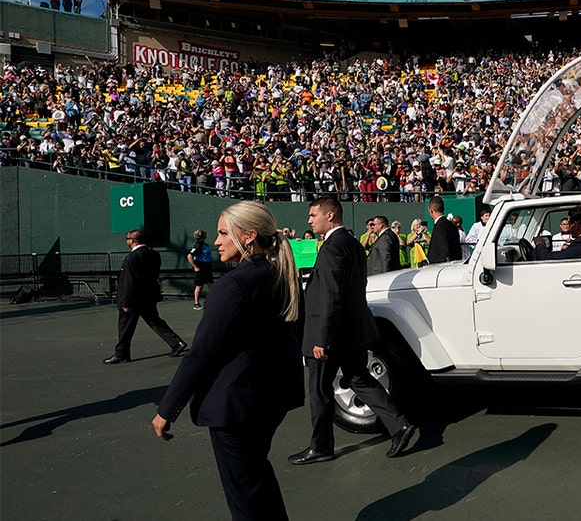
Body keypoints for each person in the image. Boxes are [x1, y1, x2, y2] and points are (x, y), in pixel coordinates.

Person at [152, 202, 304, 520]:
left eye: (223, 233)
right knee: (258, 480)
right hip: (270, 401)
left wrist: (167, 409)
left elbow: (201, 353)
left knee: (244, 499)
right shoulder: (281, 275)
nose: (217, 241)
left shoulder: (233, 285)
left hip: (235, 408)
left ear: (248, 237)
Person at [288, 196, 416, 465]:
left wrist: (321, 338)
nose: (309, 220)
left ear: (330, 216)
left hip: (332, 333)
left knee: (320, 390)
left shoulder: (334, 247)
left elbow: (330, 295)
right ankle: (399, 425)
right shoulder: (354, 244)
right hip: (354, 330)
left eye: (313, 215)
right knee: (359, 378)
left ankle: (321, 446)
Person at [104, 229, 188, 364]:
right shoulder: (154, 255)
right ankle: (176, 343)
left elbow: (129, 281)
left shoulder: (132, 258)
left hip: (133, 299)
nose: (126, 241)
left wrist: (126, 301)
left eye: (127, 238)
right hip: (148, 296)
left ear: (132, 241)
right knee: (155, 321)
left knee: (125, 327)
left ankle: (122, 354)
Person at [426, 195, 462, 264]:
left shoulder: (440, 227)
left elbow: (444, 252)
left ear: (431, 210)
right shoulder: (452, 225)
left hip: (441, 269)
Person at [188, 229, 214, 310]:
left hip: (207, 266)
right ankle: (196, 304)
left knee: (210, 284)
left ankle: (212, 301)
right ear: (202, 236)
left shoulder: (204, 244)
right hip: (200, 267)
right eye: (205, 234)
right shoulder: (198, 245)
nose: (206, 235)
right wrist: (196, 267)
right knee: (199, 286)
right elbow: (189, 256)